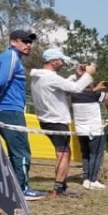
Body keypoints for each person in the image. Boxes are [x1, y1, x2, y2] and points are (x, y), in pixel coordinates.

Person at [29, 48, 94, 197]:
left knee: (63, 152)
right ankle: (58, 188)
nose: (63, 63)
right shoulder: (50, 77)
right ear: (53, 61)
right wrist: (88, 74)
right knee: (63, 153)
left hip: (46, 119)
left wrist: (76, 76)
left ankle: (61, 185)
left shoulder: (39, 76)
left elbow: (62, 84)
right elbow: (76, 88)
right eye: (61, 60)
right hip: (56, 119)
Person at [0, 29, 44, 198]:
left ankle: (15, 188)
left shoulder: (12, 58)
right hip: (10, 110)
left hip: (8, 109)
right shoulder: (11, 57)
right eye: (24, 41)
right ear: (13, 42)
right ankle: (22, 189)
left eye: (30, 42)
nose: (28, 45)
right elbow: (0, 82)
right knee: (21, 151)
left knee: (15, 151)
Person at [69, 62, 108, 190]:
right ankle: (93, 179)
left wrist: (80, 75)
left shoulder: (75, 95)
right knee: (96, 154)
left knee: (86, 155)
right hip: (94, 130)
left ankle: (85, 179)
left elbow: (86, 89)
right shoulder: (95, 95)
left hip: (81, 130)